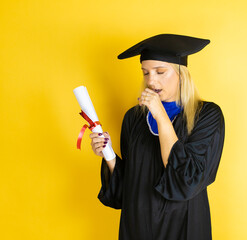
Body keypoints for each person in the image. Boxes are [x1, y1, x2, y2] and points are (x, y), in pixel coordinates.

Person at [89, 34, 225, 240]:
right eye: (145, 73)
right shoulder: (134, 118)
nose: (151, 80)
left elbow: (186, 179)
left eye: (160, 72)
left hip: (182, 227)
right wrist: (107, 154)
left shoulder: (205, 115)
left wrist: (160, 115)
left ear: (182, 74)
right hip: (137, 226)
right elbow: (128, 186)